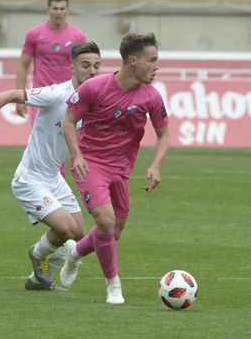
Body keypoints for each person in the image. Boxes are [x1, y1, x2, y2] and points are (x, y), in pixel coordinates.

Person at [0, 42, 102, 290]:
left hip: (54, 179)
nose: (92, 71)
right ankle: (38, 255)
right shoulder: (57, 94)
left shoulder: (94, 100)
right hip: (30, 180)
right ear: (72, 67)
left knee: (79, 234)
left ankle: (38, 279)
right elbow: (11, 94)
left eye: (96, 66)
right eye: (86, 65)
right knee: (67, 230)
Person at [60, 33, 171, 304]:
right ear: (132, 61)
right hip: (90, 164)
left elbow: (164, 135)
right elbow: (68, 122)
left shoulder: (151, 97)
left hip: (121, 169)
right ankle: (113, 285)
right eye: (152, 60)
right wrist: (76, 156)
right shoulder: (94, 88)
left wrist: (156, 165)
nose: (156, 66)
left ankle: (74, 254)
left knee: (113, 232)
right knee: (106, 222)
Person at [14, 0, 86, 121]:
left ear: (67, 10)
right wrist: (20, 98)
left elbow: (84, 67)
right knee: (40, 138)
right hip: (41, 94)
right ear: (48, 10)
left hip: (68, 94)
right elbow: (23, 66)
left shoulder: (78, 36)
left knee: (67, 137)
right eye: (55, 8)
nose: (58, 12)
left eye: (62, 9)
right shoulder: (34, 34)